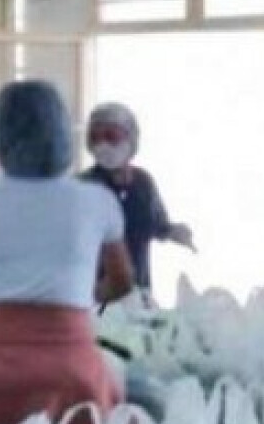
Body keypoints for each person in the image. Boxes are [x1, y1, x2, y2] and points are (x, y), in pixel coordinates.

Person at [0, 80, 134, 424]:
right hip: (75, 370)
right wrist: (81, 300)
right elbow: (123, 282)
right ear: (64, 132)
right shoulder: (97, 201)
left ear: (1, 136)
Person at [81, 102, 194, 296]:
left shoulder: (143, 183)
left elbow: (157, 224)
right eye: (95, 138)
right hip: (95, 297)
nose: (103, 145)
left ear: (131, 139)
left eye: (111, 136)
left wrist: (175, 232)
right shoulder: (83, 187)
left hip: (138, 294)